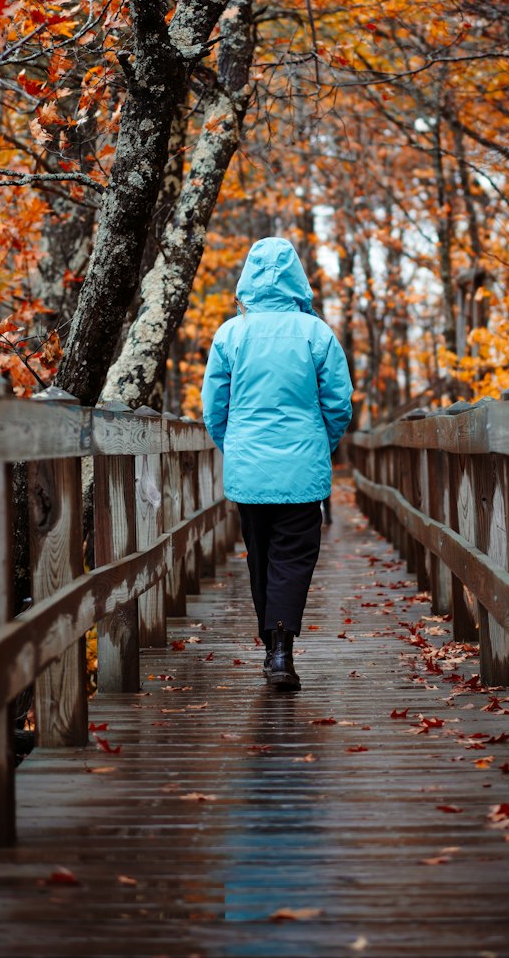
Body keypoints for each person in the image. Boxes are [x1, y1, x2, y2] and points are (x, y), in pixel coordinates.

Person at [202, 237, 353, 690]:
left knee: (260, 556)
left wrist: (237, 447)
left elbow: (214, 407)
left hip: (249, 467)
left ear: (247, 277)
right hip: (302, 471)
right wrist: (318, 445)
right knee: (293, 558)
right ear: (297, 278)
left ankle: (272, 647)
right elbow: (339, 404)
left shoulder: (231, 334)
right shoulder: (317, 334)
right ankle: (283, 651)